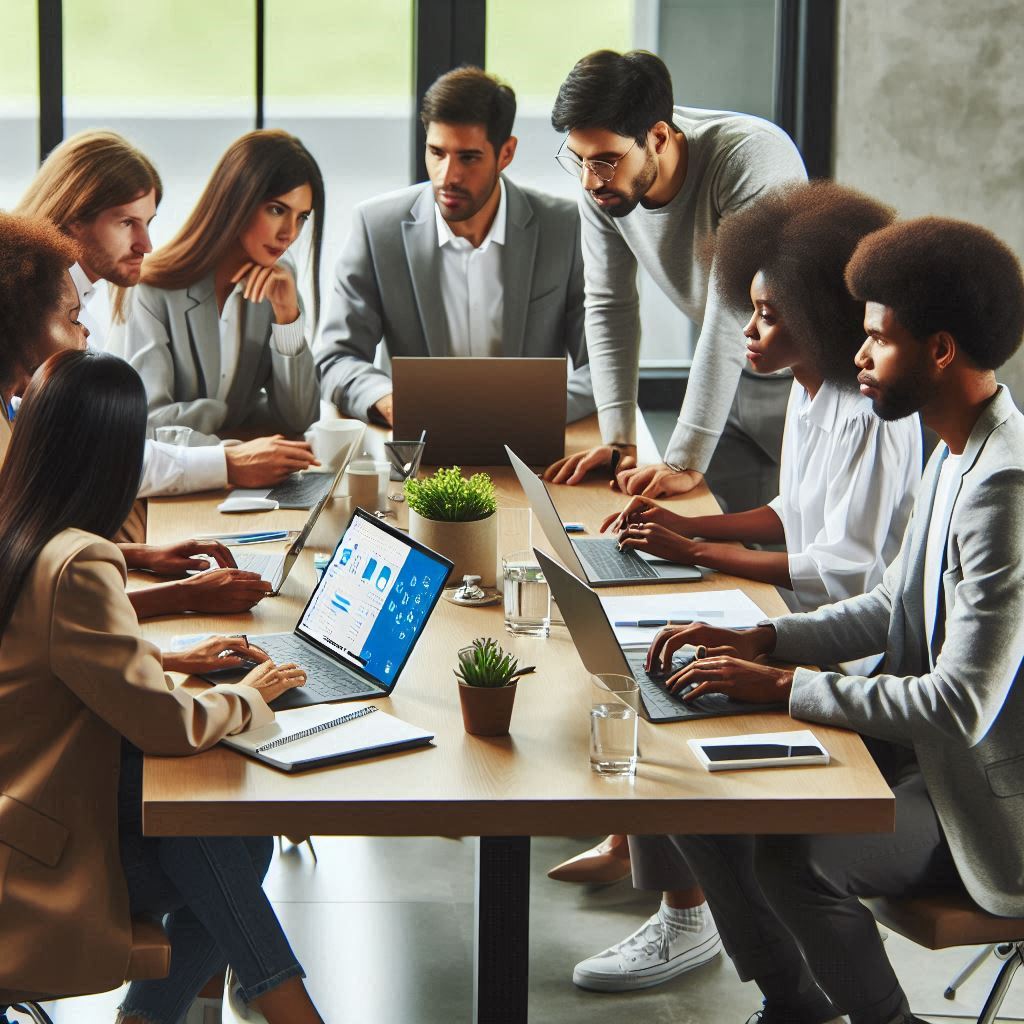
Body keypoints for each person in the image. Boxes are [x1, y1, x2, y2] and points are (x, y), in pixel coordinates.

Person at [628, 217, 1024, 1024]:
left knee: (796, 859)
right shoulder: (955, 451)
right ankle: (795, 1005)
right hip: (921, 755)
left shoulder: (1001, 488)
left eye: (877, 338)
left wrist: (782, 683)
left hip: (981, 800)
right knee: (692, 796)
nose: (857, 356)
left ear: (940, 350)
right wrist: (760, 639)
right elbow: (889, 606)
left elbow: (959, 705)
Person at [560, 181, 925, 993]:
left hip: (849, 660)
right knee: (644, 654)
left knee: (666, 722)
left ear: (822, 313)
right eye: (748, 310)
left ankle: (704, 933)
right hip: (794, 620)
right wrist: (692, 531)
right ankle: (706, 930)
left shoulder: (871, 413)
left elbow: (844, 567)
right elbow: (792, 512)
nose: (748, 332)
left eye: (768, 315)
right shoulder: (808, 391)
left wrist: (700, 548)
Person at [0, 347, 324, 1024]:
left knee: (227, 833)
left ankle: (157, 1016)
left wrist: (173, 662)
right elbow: (167, 727)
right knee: (210, 830)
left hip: (20, 812)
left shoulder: (21, 531)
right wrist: (249, 693)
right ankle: (285, 1009)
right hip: (32, 861)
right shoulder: (78, 565)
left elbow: (48, 667)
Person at [544, 49, 806, 514]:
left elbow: (731, 311)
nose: (588, 180)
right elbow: (608, 305)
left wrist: (684, 457)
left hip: (811, 386)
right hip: (730, 380)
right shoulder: (606, 184)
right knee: (701, 536)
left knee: (813, 560)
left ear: (659, 136)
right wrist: (618, 440)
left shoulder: (750, 157)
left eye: (603, 160)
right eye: (579, 158)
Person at [0, 212, 272, 617]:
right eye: (73, 319)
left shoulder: (11, 408)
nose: (85, 334)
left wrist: (136, 554)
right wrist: (181, 597)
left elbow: (21, 556)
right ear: (18, 322)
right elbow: (25, 608)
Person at [16, 129, 318, 493]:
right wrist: (228, 439)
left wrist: (288, 318)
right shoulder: (49, 321)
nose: (146, 245)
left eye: (149, 223)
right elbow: (112, 443)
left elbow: (96, 448)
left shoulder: (82, 313)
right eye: (127, 222)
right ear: (76, 217)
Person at [315, 66, 594, 424]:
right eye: (437, 152)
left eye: (468, 157)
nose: (448, 176)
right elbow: (336, 359)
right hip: (419, 447)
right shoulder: (376, 229)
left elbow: (602, 366)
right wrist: (387, 400)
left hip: (529, 445)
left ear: (506, 153)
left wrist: (530, 412)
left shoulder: (565, 228)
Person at [121, 129, 323, 444]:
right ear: (238, 199)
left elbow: (300, 419)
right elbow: (145, 424)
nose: (289, 234)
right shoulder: (152, 289)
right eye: (277, 210)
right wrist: (226, 415)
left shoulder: (278, 282)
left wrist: (288, 317)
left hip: (247, 477)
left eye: (302, 218)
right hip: (170, 485)